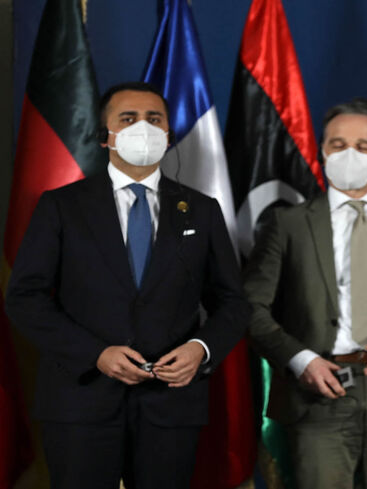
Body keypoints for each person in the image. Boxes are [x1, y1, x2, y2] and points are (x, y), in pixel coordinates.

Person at [5, 82, 250, 489]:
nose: (144, 128)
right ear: (105, 137)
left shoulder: (202, 211)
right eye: (128, 119)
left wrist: (200, 349)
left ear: (169, 135)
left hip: (170, 406)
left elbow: (233, 303)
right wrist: (95, 353)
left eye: (155, 119)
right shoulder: (61, 206)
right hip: (81, 402)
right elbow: (24, 298)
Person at [244, 98, 367, 489]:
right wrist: (300, 359)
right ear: (321, 151)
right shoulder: (287, 223)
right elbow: (250, 307)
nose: (350, 155)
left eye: (364, 146)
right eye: (338, 145)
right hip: (317, 394)